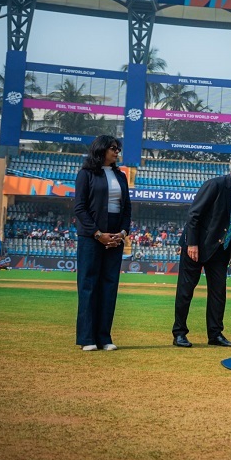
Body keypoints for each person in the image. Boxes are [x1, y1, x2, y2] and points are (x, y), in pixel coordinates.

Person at [172, 151, 231, 349]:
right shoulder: (215, 185)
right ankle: (179, 333)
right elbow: (194, 215)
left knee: (219, 292)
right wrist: (192, 244)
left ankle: (215, 334)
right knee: (186, 290)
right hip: (196, 246)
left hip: (221, 249)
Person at [73, 135, 131, 352]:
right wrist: (98, 234)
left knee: (109, 286)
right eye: (113, 148)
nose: (116, 152)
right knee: (88, 286)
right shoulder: (86, 174)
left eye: (118, 149)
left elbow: (127, 208)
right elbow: (80, 208)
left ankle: (104, 337)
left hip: (115, 237)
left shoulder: (121, 176)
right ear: (101, 150)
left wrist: (122, 233)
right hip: (91, 237)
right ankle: (87, 338)